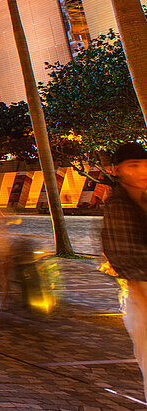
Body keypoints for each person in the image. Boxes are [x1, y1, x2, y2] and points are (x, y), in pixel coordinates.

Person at [102, 143, 147, 400]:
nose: (142, 171)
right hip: (142, 294)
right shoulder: (118, 205)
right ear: (116, 170)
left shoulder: (142, 199)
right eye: (134, 166)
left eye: (145, 165)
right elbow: (125, 258)